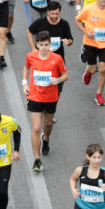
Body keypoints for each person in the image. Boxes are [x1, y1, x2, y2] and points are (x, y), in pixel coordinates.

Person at [22, 31, 67, 172]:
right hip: (34, 96)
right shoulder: (31, 56)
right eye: (41, 45)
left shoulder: (57, 58)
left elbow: (65, 74)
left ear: (50, 44)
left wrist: (58, 80)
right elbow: (26, 67)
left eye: (46, 45)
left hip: (51, 97)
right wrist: (24, 83)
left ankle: (46, 139)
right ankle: (37, 159)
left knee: (47, 124)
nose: (43, 48)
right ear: (37, 44)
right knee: (35, 128)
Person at [76, 0, 105, 107]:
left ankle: (98, 94)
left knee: (104, 69)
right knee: (93, 69)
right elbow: (77, 20)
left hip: (104, 43)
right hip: (90, 42)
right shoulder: (89, 9)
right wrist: (85, 32)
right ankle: (89, 71)